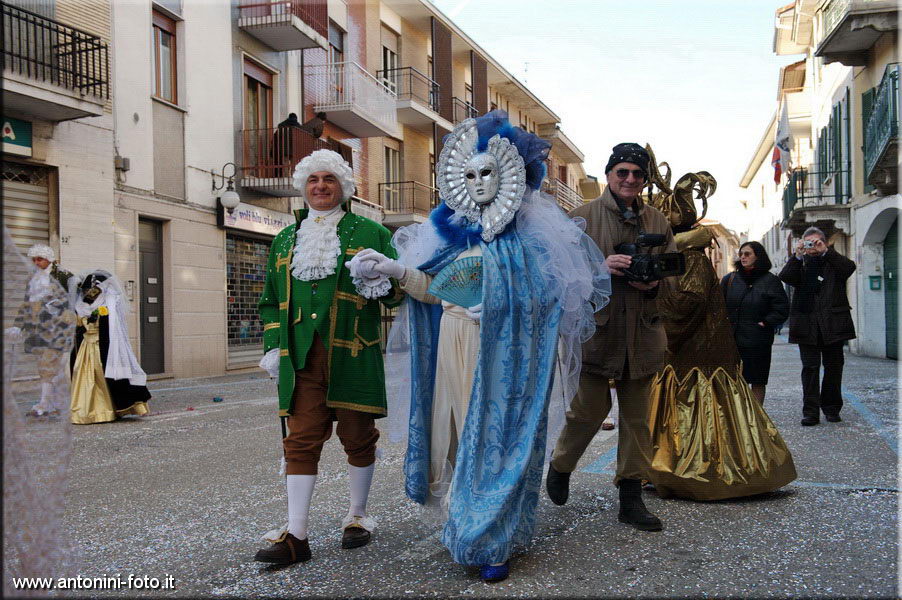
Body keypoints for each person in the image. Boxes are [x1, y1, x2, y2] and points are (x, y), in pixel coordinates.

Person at [368, 111, 610, 582]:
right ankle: (463, 524)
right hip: (453, 342)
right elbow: (436, 291)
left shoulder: (527, 243)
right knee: (456, 436)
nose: (478, 182)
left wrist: (502, 308)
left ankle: (494, 537)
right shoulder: (452, 239)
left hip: (501, 355)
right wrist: (397, 272)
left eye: (487, 172)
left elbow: (548, 303)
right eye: (469, 175)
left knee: (496, 444)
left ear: (510, 176)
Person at [254, 149, 405, 567]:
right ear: (303, 187)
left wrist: (382, 276)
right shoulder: (285, 238)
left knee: (358, 436)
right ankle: (296, 534)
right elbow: (269, 301)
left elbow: (397, 296)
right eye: (313, 179)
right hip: (301, 357)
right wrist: (273, 347)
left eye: (329, 179)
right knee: (300, 439)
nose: (320, 186)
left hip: (354, 353)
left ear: (344, 186)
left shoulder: (372, 232)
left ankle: (357, 515)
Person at [641, 149, 796, 500]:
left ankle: (700, 473)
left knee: (703, 413)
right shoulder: (679, 257)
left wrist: (652, 306)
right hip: (683, 357)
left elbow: (688, 303)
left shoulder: (690, 258)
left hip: (697, 357)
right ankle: (661, 467)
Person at [546, 143, 675, 532]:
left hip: (643, 333)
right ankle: (561, 465)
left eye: (637, 174)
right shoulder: (582, 217)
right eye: (623, 172)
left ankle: (630, 498)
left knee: (637, 420)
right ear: (608, 175)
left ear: (645, 179)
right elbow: (559, 276)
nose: (630, 179)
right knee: (588, 410)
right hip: (595, 334)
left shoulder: (658, 221)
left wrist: (653, 284)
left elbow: (674, 280)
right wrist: (599, 270)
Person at [779, 226, 856, 426]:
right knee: (810, 369)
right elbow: (785, 277)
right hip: (807, 325)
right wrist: (797, 256)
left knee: (834, 368)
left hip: (833, 324)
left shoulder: (833, 262)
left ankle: (832, 408)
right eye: (809, 242)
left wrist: (826, 252)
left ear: (824, 242)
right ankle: (811, 412)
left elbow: (849, 268)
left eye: (816, 242)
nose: (812, 246)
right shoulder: (801, 264)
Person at [69, 270, 151, 424]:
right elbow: (78, 327)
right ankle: (87, 410)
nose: (89, 293)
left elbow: (112, 330)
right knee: (85, 379)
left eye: (91, 290)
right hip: (86, 348)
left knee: (104, 378)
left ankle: (107, 409)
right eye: (86, 290)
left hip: (102, 347)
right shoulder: (82, 305)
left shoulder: (109, 304)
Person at [5, 244, 75, 417]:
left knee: (49, 365)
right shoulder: (32, 278)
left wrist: (59, 308)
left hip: (57, 328)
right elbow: (26, 303)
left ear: (49, 259)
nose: (36, 263)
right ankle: (53, 404)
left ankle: (47, 404)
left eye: (40, 259)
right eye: (34, 259)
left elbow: (74, 300)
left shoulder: (64, 276)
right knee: (44, 367)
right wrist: (17, 325)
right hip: (36, 329)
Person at [721, 241, 790, 404]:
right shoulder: (730, 279)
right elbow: (718, 306)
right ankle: (740, 414)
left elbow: (782, 308)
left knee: (758, 380)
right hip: (733, 340)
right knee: (735, 380)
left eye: (747, 254)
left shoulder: (770, 280)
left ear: (757, 256)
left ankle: (757, 415)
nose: (743, 257)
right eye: (741, 254)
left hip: (758, 340)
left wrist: (766, 323)